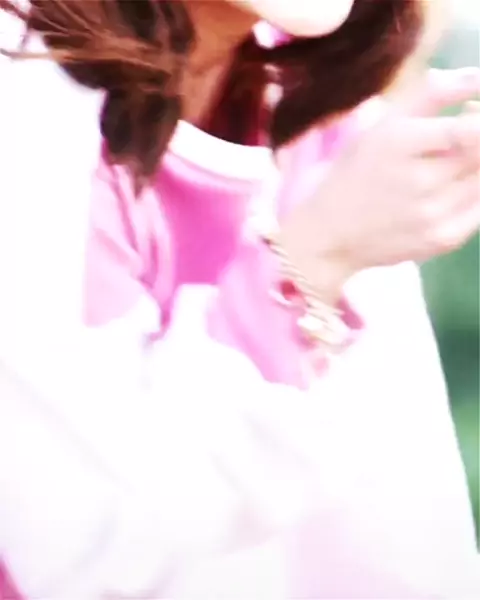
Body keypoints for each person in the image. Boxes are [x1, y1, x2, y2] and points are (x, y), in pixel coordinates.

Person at [0, 0, 479, 598]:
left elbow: (398, 537)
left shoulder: (318, 114)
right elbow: (79, 555)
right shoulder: (23, 104)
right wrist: (308, 264)